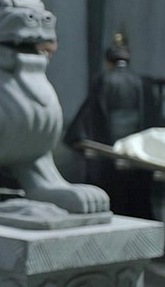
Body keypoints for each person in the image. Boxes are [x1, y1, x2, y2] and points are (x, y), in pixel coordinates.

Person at [64, 34, 159, 219]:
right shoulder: (141, 82)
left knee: (113, 197)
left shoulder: (104, 80)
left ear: (108, 62)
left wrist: (76, 136)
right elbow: (151, 117)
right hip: (136, 150)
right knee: (137, 199)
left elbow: (92, 112)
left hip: (109, 149)